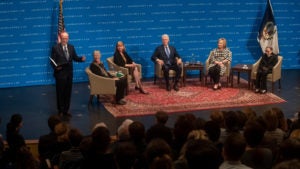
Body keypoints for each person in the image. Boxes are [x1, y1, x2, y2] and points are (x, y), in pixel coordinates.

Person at [50, 31, 86, 117]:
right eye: (63, 38)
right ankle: (60, 110)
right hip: (60, 74)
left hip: (69, 74)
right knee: (60, 93)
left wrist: (81, 59)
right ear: (60, 38)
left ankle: (66, 110)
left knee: (68, 93)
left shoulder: (71, 47)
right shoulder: (55, 48)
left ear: (68, 38)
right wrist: (56, 67)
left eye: (66, 38)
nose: (65, 40)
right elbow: (52, 61)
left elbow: (75, 57)